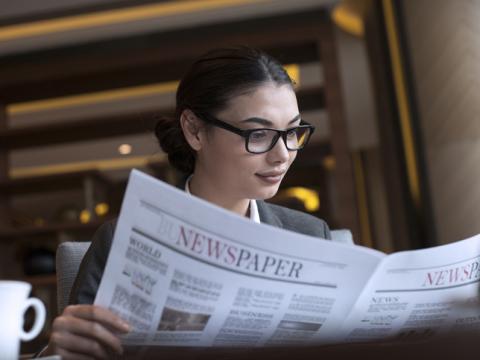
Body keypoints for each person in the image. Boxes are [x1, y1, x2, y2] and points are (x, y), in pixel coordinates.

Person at [43, 46, 332, 359]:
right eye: (259, 134)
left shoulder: (311, 235)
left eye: (292, 132)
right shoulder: (124, 240)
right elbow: (79, 349)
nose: (283, 155)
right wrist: (57, 353)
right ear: (194, 130)